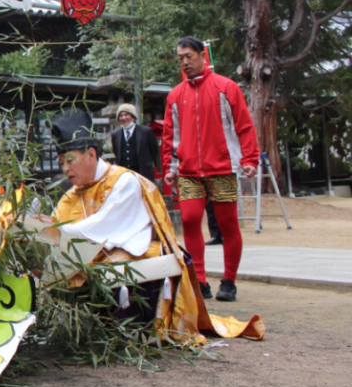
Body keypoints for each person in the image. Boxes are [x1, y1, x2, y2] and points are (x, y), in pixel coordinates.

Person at [45, 109, 264, 342]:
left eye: (69, 160)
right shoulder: (71, 194)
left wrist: (53, 230)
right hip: (100, 248)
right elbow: (58, 226)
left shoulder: (124, 181)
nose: (65, 169)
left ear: (91, 154)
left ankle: (127, 331)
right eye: (61, 163)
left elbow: (102, 227)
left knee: (117, 264)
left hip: (135, 246)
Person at [162, 37, 259, 302]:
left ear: (202, 56)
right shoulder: (174, 95)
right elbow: (172, 136)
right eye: (180, 57)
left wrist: (249, 159)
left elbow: (244, 125)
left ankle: (229, 281)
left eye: (189, 56)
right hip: (189, 171)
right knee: (191, 220)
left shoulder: (226, 87)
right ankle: (200, 280)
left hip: (222, 169)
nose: (184, 62)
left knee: (228, 225)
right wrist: (170, 167)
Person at [110, 103, 159, 181]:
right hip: (124, 176)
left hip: (143, 175)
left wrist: (146, 163)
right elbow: (116, 153)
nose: (123, 118)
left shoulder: (145, 132)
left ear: (132, 117)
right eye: (121, 115)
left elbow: (154, 151)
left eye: (126, 115)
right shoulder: (116, 135)